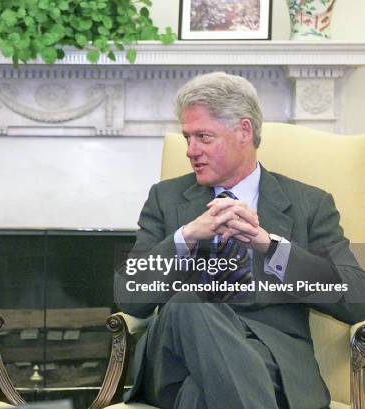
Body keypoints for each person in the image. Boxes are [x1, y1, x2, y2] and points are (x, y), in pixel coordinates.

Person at [115, 72, 365, 409]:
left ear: (244, 131)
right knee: (193, 303)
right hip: (174, 357)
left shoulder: (309, 204)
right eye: (187, 137)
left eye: (203, 137)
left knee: (198, 395)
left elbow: (355, 299)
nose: (191, 150)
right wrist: (185, 237)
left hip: (271, 361)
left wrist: (271, 247)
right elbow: (129, 295)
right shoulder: (167, 198)